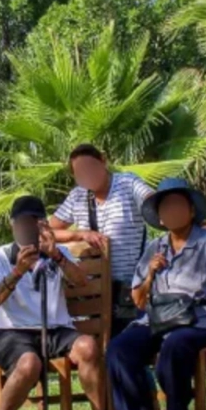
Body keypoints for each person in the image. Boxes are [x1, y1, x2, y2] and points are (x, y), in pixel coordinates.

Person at [107, 178, 206, 410]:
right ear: (159, 216)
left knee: (174, 344)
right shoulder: (154, 248)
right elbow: (138, 300)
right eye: (166, 208)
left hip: (200, 321)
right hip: (157, 319)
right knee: (119, 348)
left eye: (178, 206)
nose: (173, 212)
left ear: (191, 211)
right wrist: (150, 274)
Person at [0, 196, 112, 410]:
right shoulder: (1, 256)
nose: (28, 230)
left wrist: (56, 255)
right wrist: (17, 271)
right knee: (29, 363)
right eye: (23, 224)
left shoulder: (57, 253)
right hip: (12, 332)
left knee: (88, 347)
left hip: (55, 329)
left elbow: (81, 281)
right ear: (13, 226)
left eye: (34, 224)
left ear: (44, 226)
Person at [48, 143, 154, 337]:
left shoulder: (128, 183)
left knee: (127, 344)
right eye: (80, 172)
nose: (87, 174)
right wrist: (80, 234)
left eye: (90, 167)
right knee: (100, 350)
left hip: (132, 288)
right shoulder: (77, 196)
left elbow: (154, 203)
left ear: (102, 161)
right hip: (93, 291)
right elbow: (47, 232)